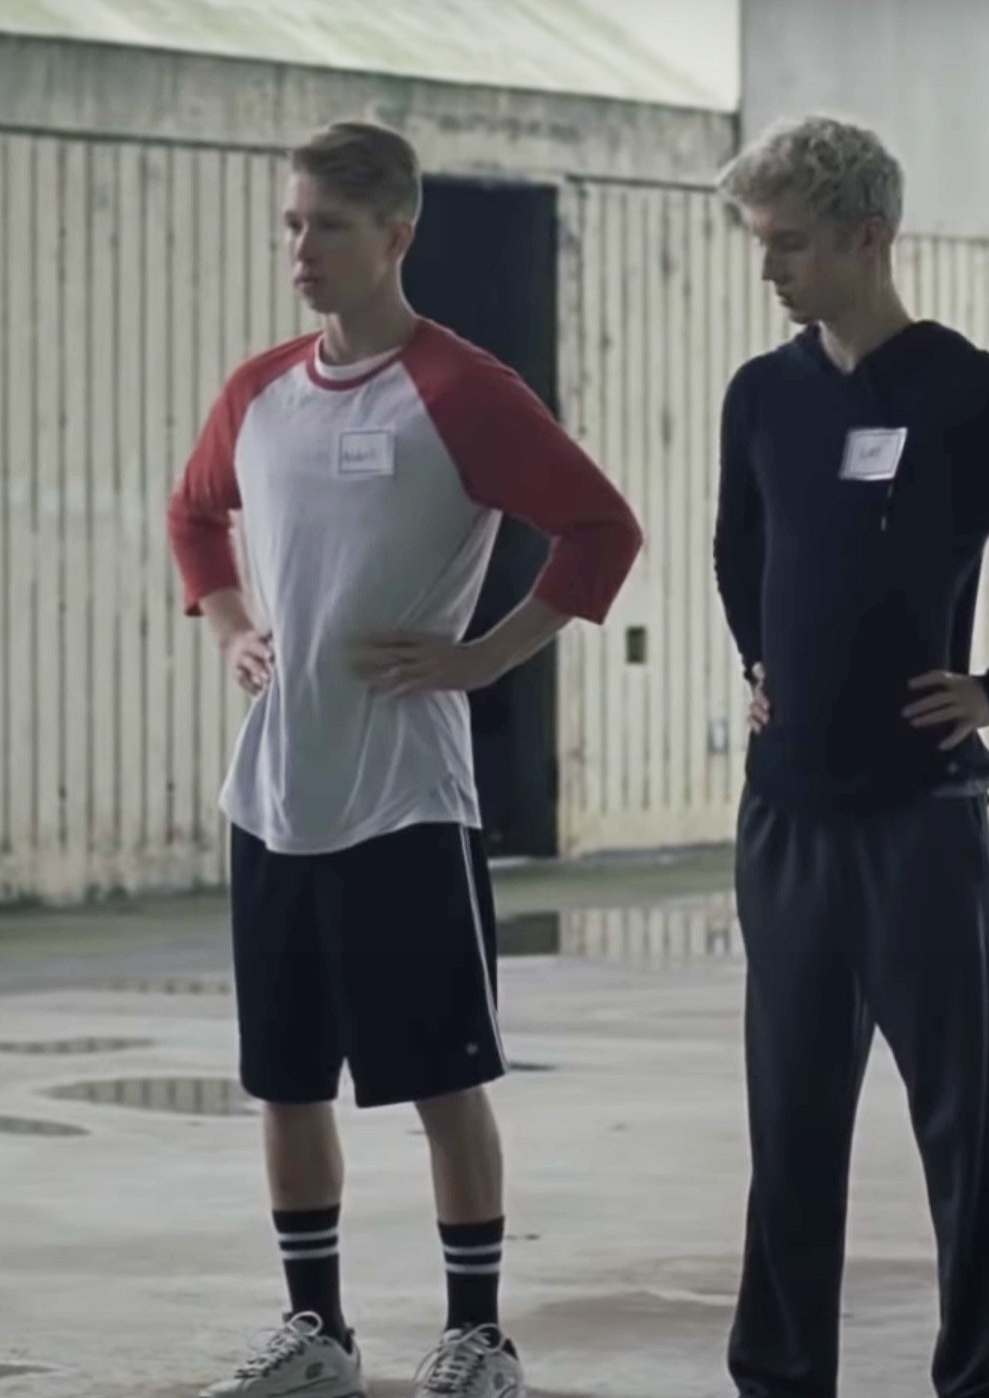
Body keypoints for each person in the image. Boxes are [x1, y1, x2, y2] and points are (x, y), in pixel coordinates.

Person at [164, 121, 642, 1398]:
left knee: (441, 1080)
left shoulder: (464, 390)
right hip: (274, 791)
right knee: (285, 1083)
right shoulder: (256, 391)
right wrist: (231, 627)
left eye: (326, 224)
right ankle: (313, 1330)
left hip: (407, 799)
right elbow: (192, 511)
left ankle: (476, 1334)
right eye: (290, 222)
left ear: (397, 237)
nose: (300, 248)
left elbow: (602, 529)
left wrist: (488, 658)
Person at [710, 114, 989, 1398]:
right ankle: (781, 1373)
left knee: (964, 1122)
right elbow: (740, 548)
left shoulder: (963, 390)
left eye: (790, 244)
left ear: (868, 237)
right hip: (785, 816)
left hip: (918, 815)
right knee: (790, 1122)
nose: (770, 269)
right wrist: (758, 664)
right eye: (760, 244)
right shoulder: (765, 394)